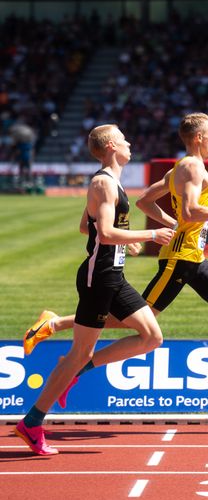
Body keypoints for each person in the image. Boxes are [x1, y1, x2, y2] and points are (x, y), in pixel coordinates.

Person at [23, 113, 208, 419]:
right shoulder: (191, 166)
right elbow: (192, 211)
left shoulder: (179, 169)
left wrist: (172, 222)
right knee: (140, 324)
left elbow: (144, 202)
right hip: (179, 261)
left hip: (195, 259)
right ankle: (66, 344)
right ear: (198, 138)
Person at [15, 124, 174, 456]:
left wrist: (122, 244)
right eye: (126, 139)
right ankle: (32, 421)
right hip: (98, 277)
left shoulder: (112, 184)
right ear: (113, 145)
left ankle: (71, 358)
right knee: (79, 353)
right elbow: (103, 230)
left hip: (114, 274)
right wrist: (147, 236)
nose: (131, 143)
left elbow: (85, 226)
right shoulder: (103, 182)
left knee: (151, 337)